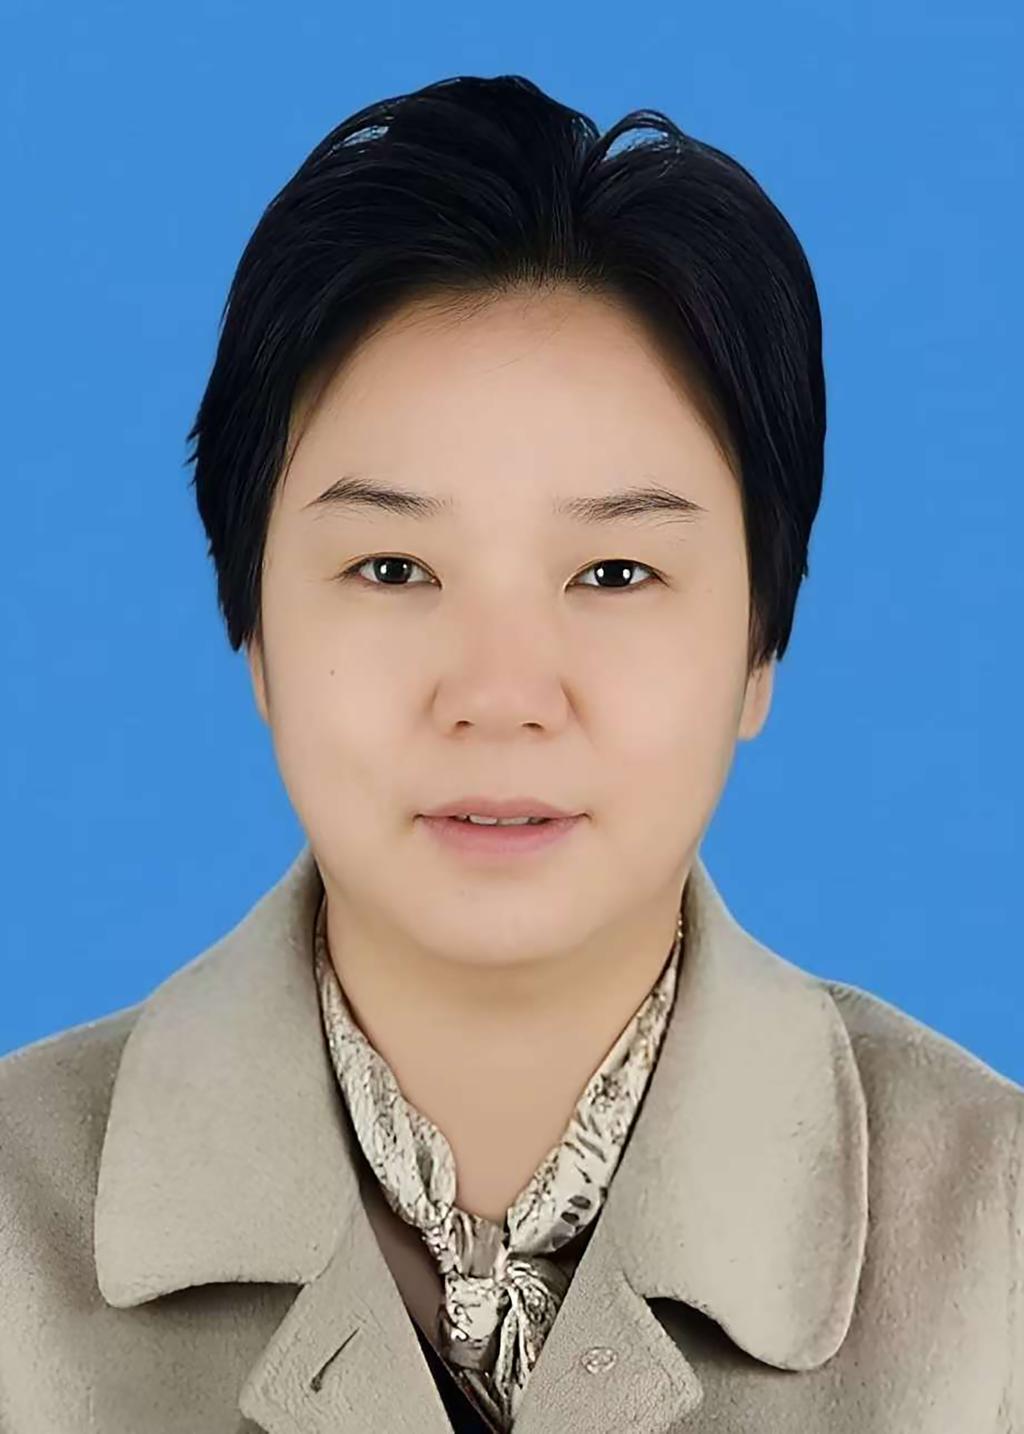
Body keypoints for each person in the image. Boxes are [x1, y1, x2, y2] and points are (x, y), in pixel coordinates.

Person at [1, 72, 1020, 1434]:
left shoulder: (996, 1238)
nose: (499, 695)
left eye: (613, 572)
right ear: (253, 634)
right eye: (391, 567)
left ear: (759, 647)